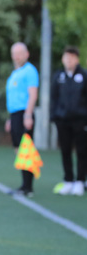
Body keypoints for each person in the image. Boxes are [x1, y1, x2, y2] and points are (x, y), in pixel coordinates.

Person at [50, 46, 87, 196]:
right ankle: (68, 180)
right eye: (66, 57)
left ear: (77, 59)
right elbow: (54, 98)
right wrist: (54, 116)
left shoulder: (84, 75)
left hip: (81, 120)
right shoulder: (59, 76)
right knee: (65, 150)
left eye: (71, 57)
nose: (68, 60)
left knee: (82, 151)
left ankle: (80, 181)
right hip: (63, 120)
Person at [4, 41, 39, 197]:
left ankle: (28, 187)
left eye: (20, 53)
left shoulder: (30, 71)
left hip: (24, 113)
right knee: (19, 150)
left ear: (27, 54)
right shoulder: (15, 73)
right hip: (15, 115)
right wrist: (11, 119)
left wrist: (28, 114)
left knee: (26, 149)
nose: (17, 57)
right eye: (14, 54)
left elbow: (32, 94)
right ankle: (24, 185)